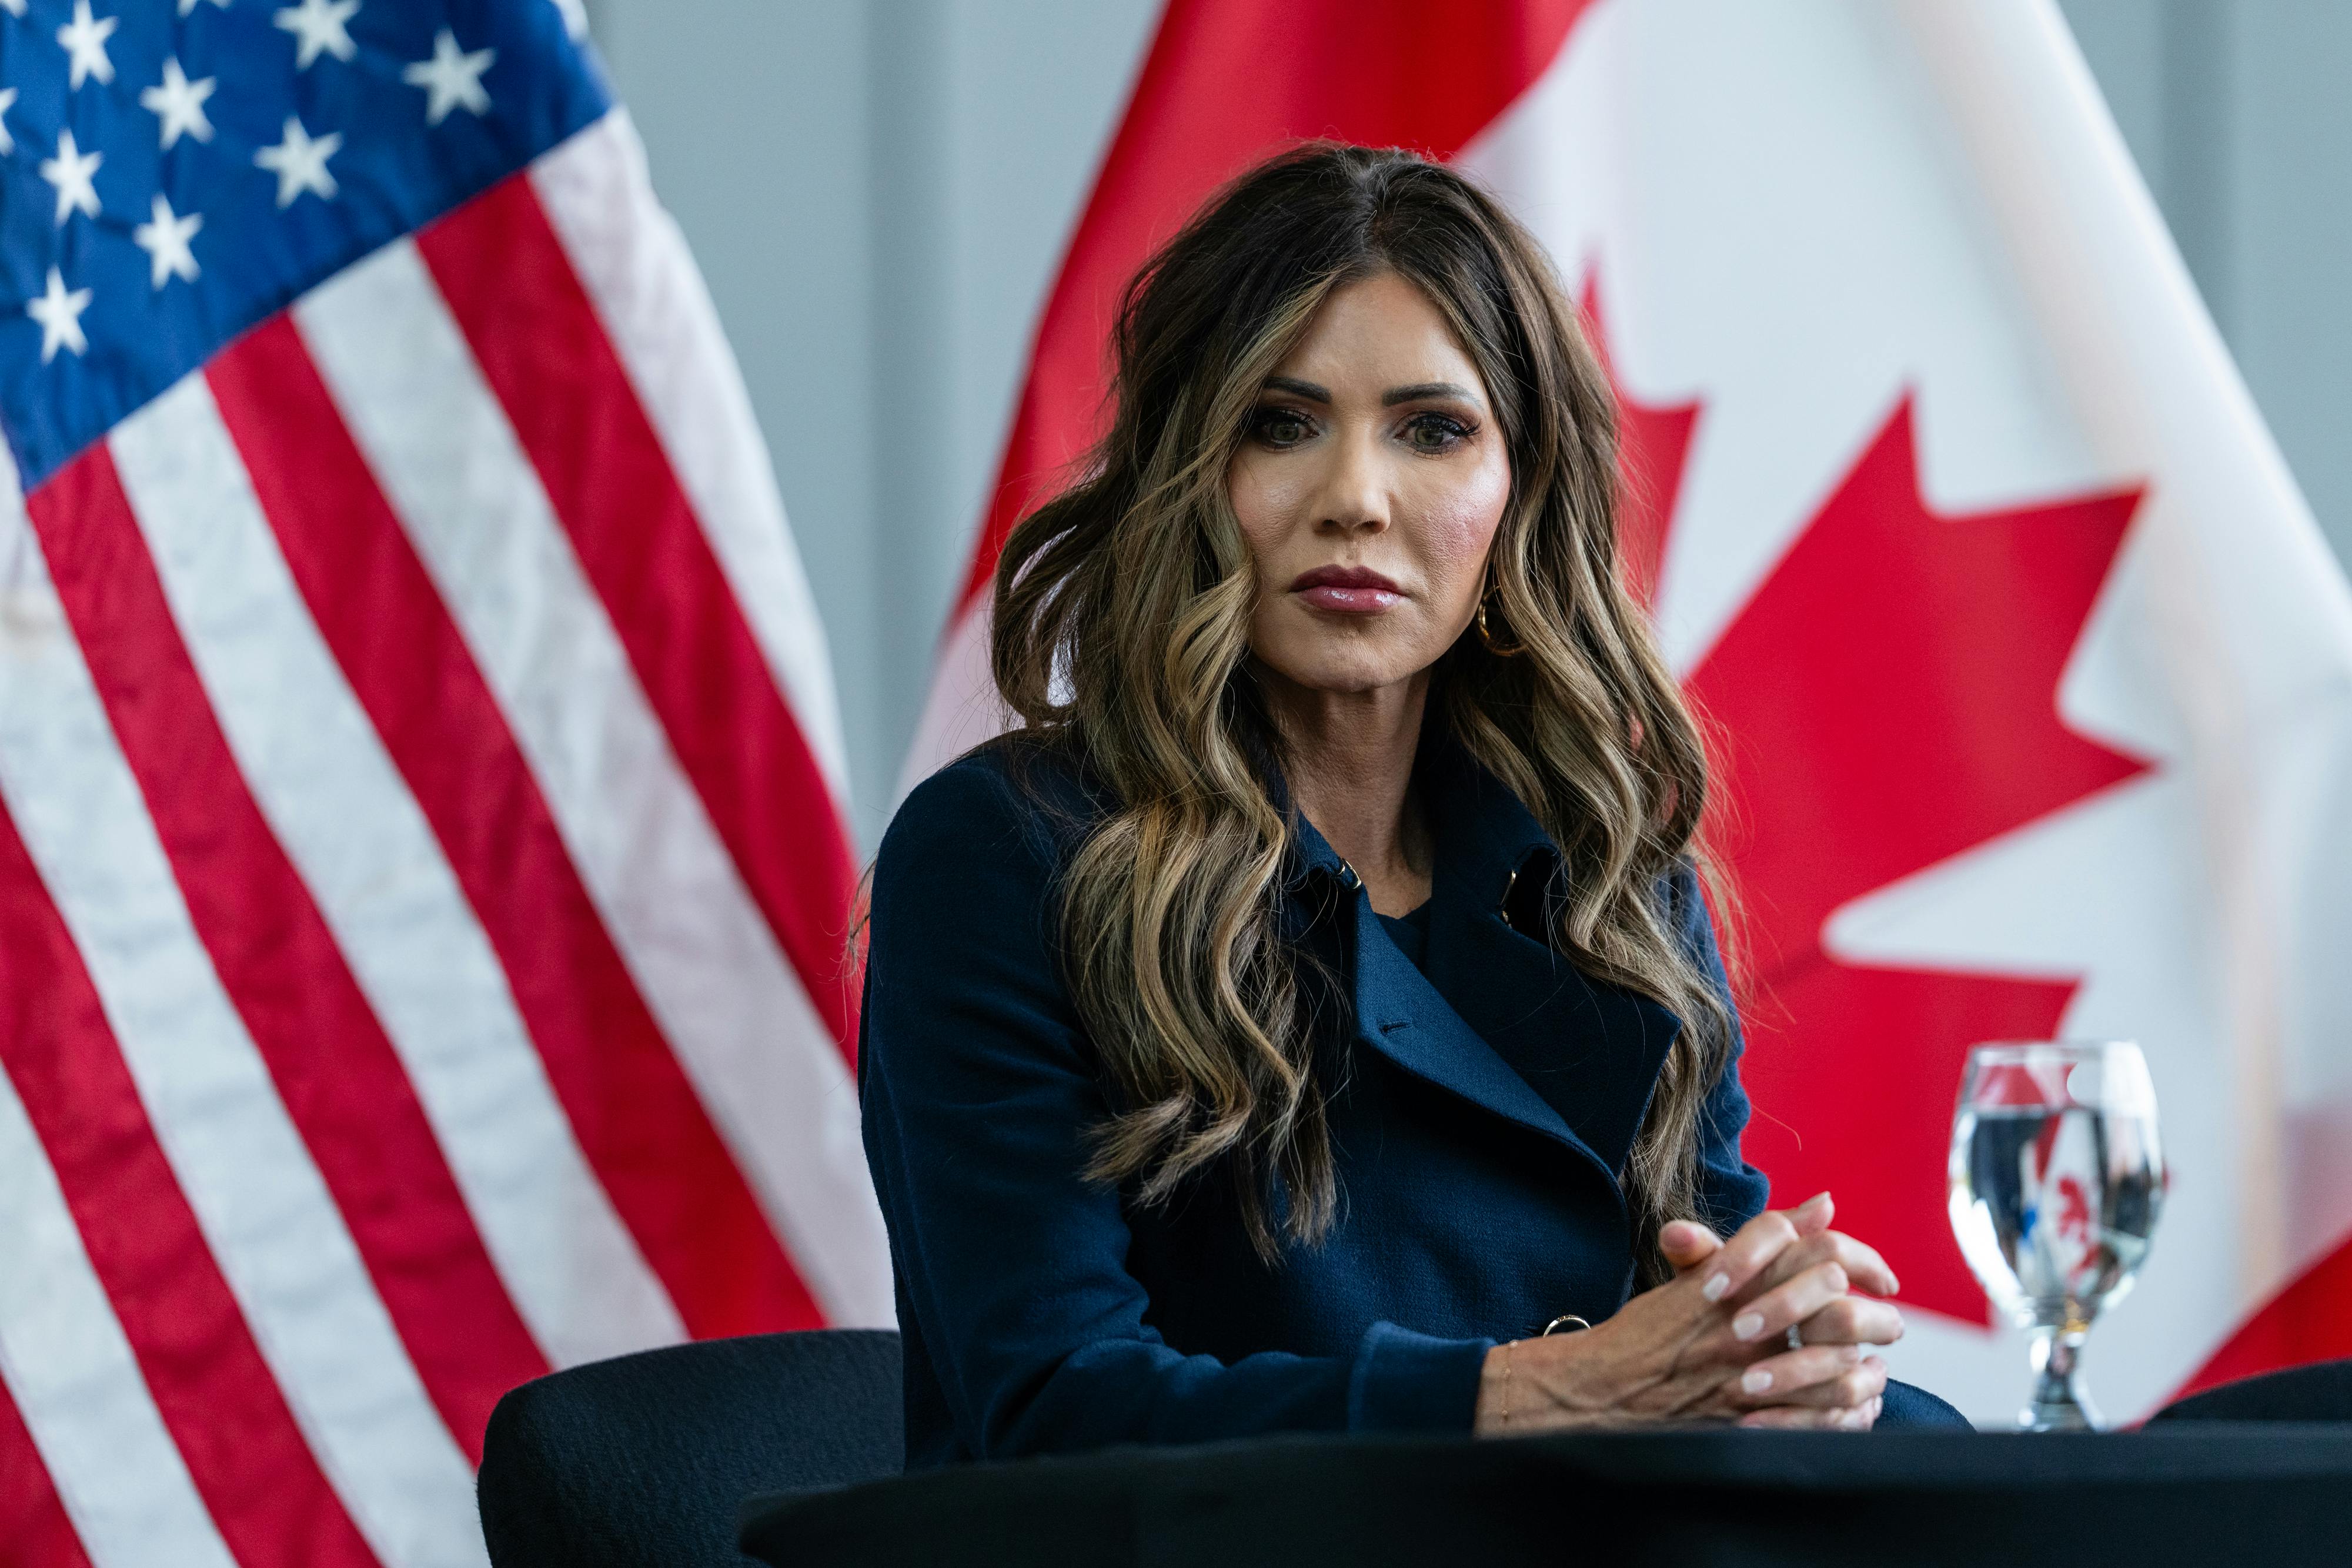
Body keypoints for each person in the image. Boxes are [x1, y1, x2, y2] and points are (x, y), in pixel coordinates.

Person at [860, 142, 1966, 1469]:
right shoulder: (1005, 853)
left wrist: (1802, 1361)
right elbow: (1052, 1411)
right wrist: (1540, 1393)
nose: (1354, 500)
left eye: (1432, 430)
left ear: (1520, 493)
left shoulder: (1607, 867)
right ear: (1185, 474)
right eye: (1280, 423)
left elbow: (1703, 1338)